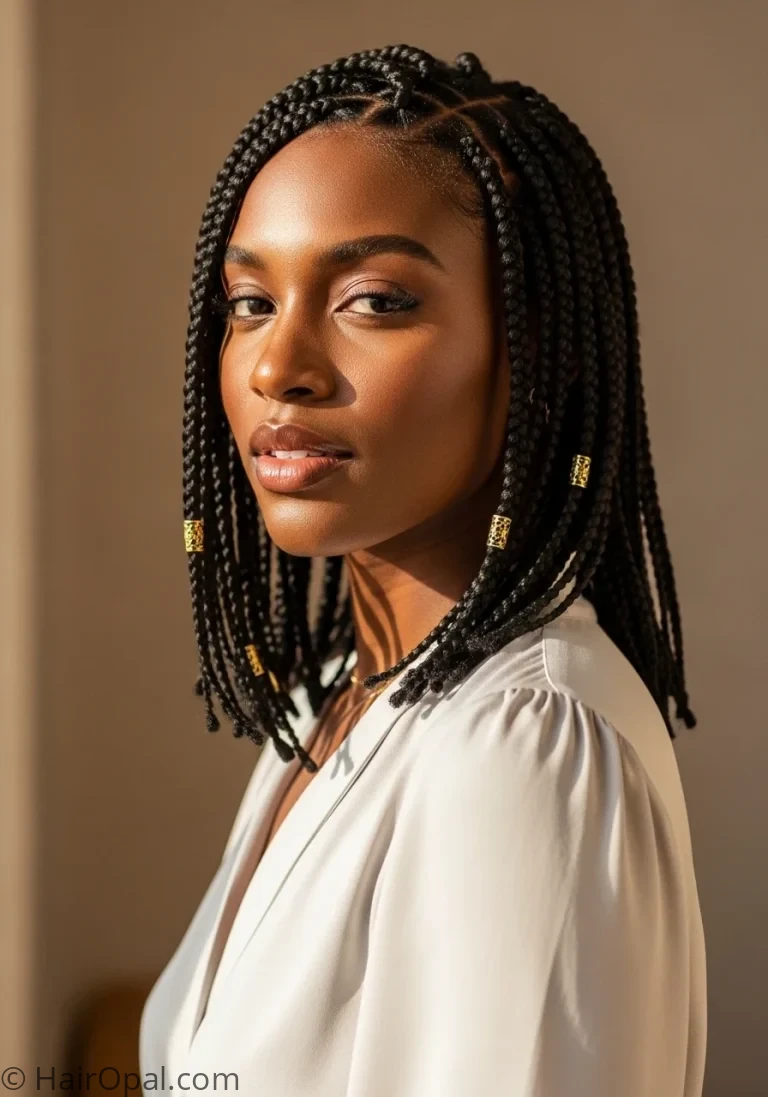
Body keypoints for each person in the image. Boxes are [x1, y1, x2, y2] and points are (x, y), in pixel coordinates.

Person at [139, 44, 707, 1096]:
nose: (278, 366)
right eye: (252, 302)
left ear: (533, 349)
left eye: (374, 300)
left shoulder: (529, 744)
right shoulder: (334, 701)